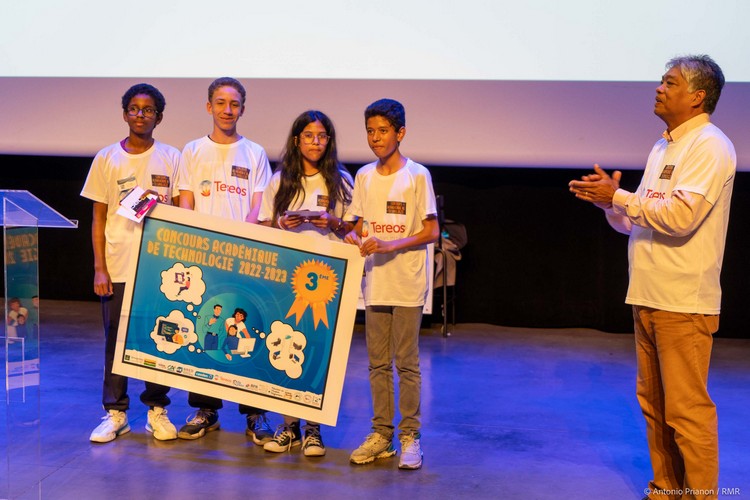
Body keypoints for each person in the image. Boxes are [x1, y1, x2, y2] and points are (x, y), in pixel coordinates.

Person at [568, 55, 735, 500]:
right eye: (662, 81)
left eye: (670, 82)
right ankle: (666, 489)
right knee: (655, 406)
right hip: (647, 294)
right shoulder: (663, 146)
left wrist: (620, 196)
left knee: (688, 411)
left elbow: (680, 217)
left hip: (683, 300)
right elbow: (640, 220)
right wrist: (610, 205)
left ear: (697, 96)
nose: (659, 88)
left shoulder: (710, 146)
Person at [81, 83, 181, 443]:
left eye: (149, 109)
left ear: (159, 117)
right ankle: (116, 412)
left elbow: (183, 211)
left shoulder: (172, 157)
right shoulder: (107, 158)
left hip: (160, 267)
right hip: (119, 262)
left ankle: (156, 410)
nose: (141, 115)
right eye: (135, 109)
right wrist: (100, 267)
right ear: (125, 114)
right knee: (116, 339)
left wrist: (162, 204)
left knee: (160, 337)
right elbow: (98, 218)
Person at [176, 76, 274, 444]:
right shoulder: (192, 150)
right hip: (203, 258)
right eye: (220, 103)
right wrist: (197, 245)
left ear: (242, 109)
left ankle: (255, 413)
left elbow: (259, 206)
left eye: (234, 104)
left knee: (249, 334)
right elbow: (186, 201)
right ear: (209, 107)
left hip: (244, 258)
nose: (227, 110)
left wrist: (240, 246)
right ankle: (206, 409)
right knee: (206, 332)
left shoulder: (255, 153)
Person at [344, 99, 438, 470]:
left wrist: (390, 245)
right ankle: (381, 434)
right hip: (376, 281)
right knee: (377, 364)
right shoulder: (365, 176)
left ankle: (410, 436)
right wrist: (354, 237)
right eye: (370, 131)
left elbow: (431, 230)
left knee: (407, 364)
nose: (376, 138)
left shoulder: (417, 175)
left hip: (407, 281)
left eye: (383, 131)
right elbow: (357, 224)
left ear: (400, 133)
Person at [258, 110, 354, 457]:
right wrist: (281, 224)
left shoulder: (341, 181)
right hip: (287, 279)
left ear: (329, 141)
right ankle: (289, 427)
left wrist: (333, 222)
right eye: (309, 136)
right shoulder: (280, 180)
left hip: (326, 282)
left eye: (322, 136)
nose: (316, 142)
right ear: (297, 140)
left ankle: (314, 429)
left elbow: (354, 229)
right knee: (285, 349)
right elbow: (263, 226)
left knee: (317, 354)